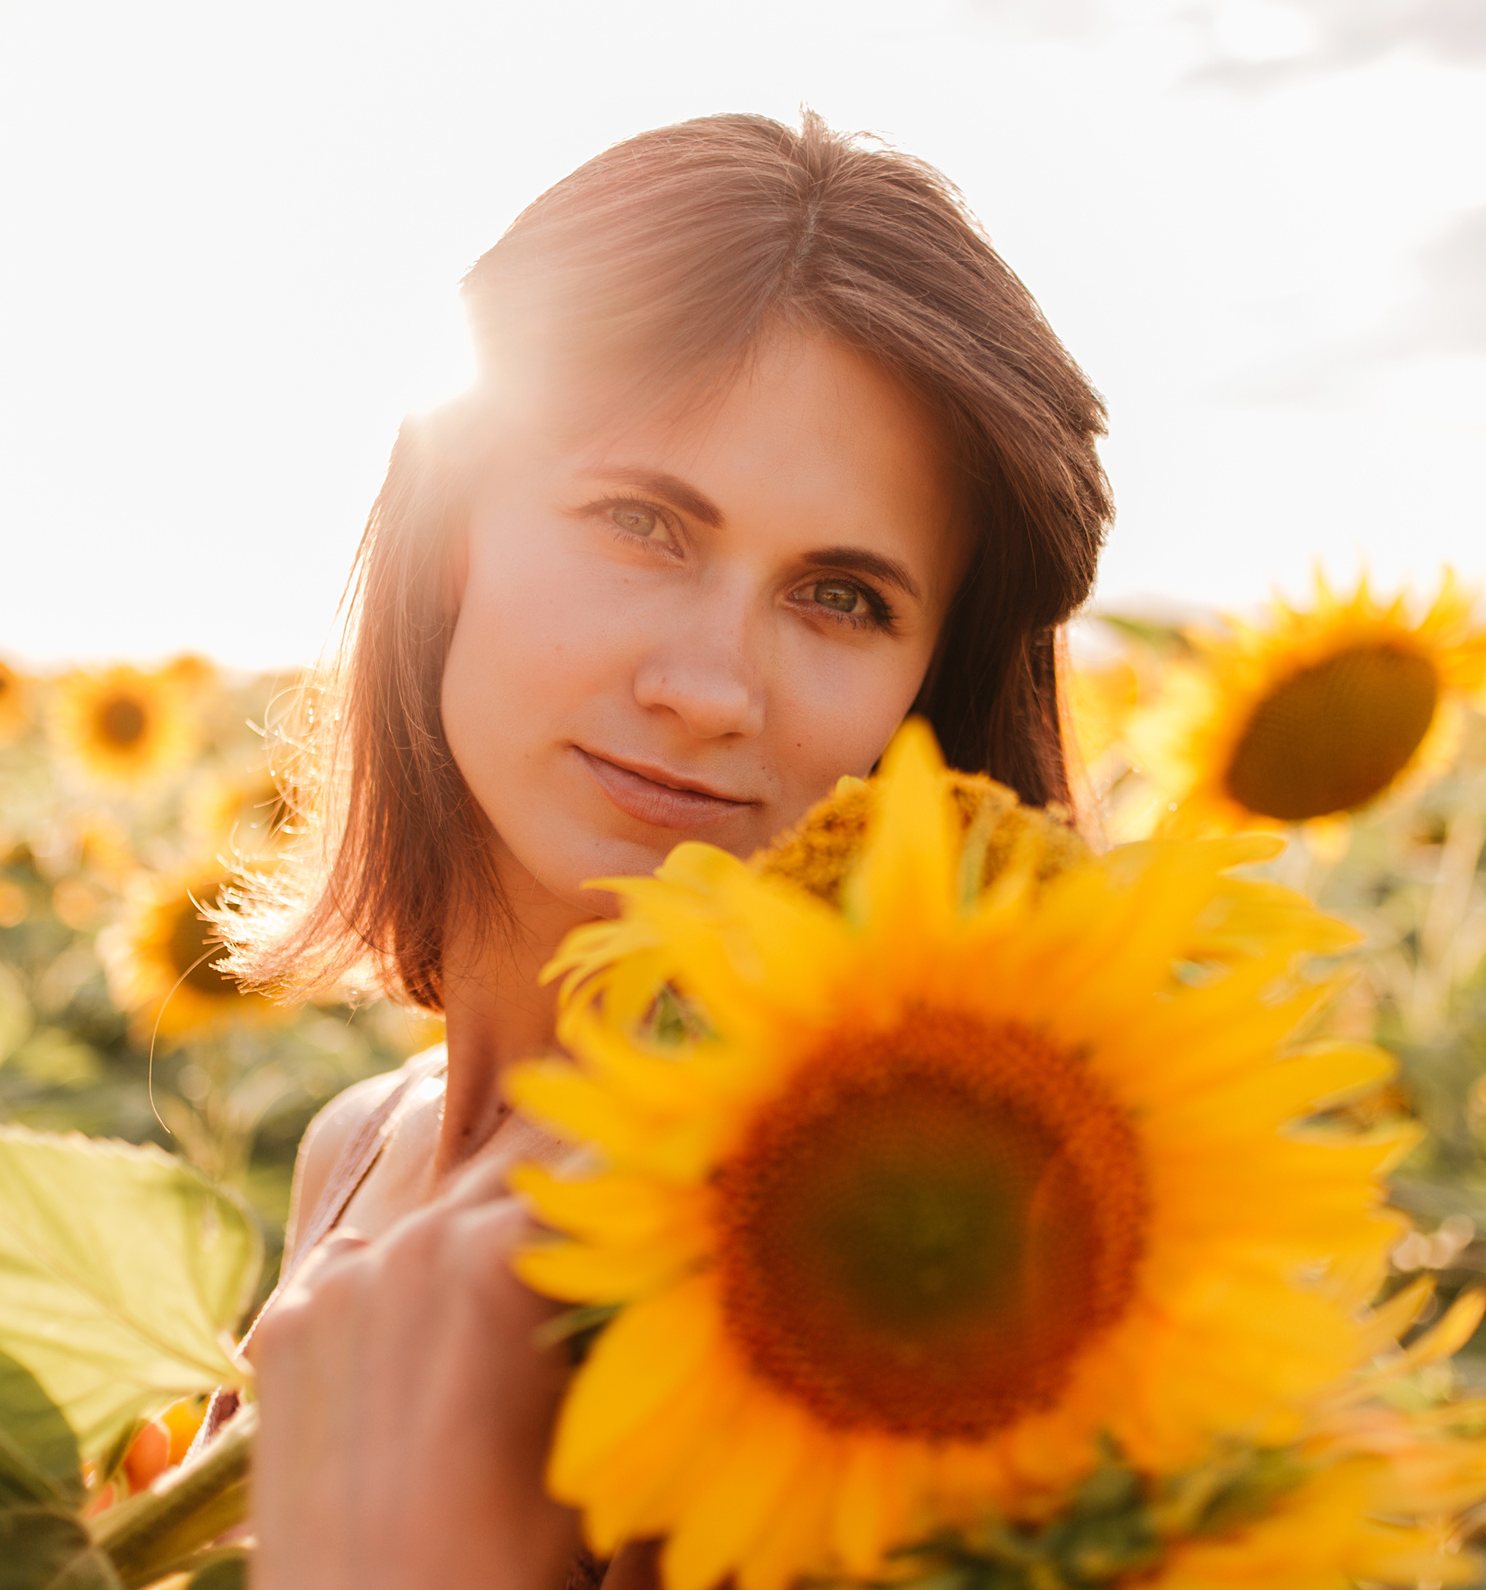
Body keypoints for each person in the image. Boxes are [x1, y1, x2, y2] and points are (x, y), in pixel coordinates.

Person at [221, 110, 1113, 1590]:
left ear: (923, 698)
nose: (708, 687)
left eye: (841, 598)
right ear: (455, 531)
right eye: (642, 521)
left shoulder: (816, 1321)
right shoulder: (362, 1142)